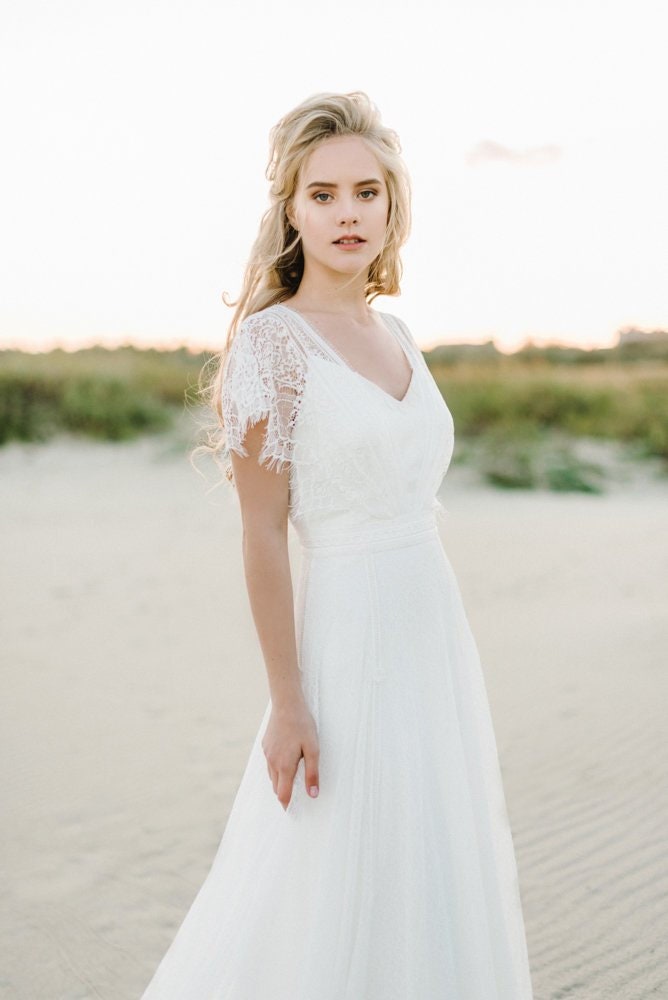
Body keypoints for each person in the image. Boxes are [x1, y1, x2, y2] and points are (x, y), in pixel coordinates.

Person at [140, 90, 534, 999]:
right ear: (291, 210)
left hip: (432, 633)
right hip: (345, 644)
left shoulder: (396, 334)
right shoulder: (272, 347)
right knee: (327, 863)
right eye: (322, 195)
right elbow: (262, 535)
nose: (346, 212)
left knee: (428, 853)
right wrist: (288, 703)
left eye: (366, 192)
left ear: (393, 207)